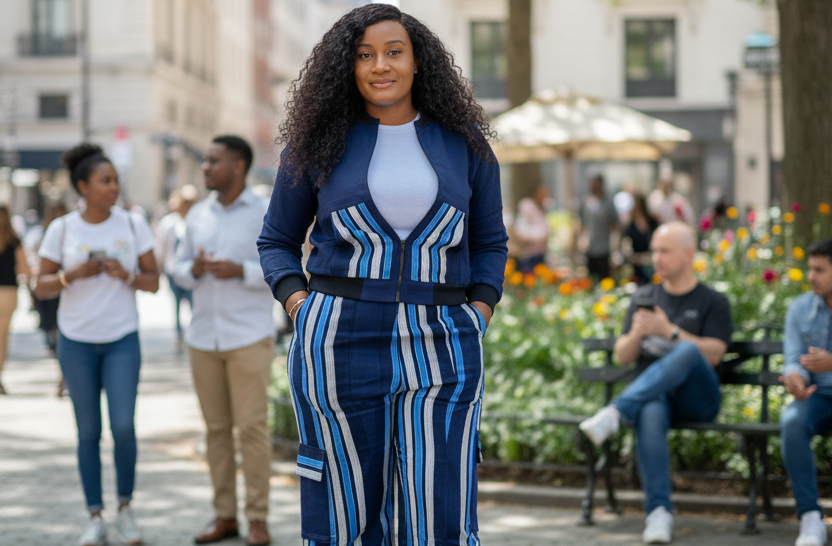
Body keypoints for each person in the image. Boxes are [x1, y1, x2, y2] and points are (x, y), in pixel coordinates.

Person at [257, 4, 508, 545]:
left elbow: (490, 242)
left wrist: (479, 310)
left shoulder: (464, 142)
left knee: (439, 499)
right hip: (338, 339)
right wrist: (299, 304)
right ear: (348, 68)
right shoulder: (316, 142)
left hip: (444, 339)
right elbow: (276, 240)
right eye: (365, 55)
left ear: (419, 62)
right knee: (345, 502)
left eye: (394, 52)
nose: (380, 65)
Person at [34, 143, 159, 546]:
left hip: (122, 339)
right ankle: (95, 517)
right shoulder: (63, 229)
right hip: (77, 343)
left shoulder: (133, 224)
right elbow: (41, 285)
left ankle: (125, 509)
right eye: (105, 181)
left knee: (123, 427)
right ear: (83, 187)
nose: (114, 187)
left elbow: (154, 281)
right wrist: (73, 275)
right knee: (88, 432)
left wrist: (127, 275)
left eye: (116, 180)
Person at [579, 222, 732, 544]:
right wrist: (637, 332)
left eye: (665, 251)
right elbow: (623, 356)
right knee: (649, 408)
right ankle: (658, 513)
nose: (657, 258)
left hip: (697, 400)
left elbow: (715, 354)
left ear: (689, 254)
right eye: (655, 251)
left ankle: (615, 413)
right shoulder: (644, 297)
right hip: (655, 399)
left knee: (688, 349)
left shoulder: (712, 301)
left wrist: (669, 332)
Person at [173, 135, 275, 546]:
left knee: (251, 429)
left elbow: (283, 268)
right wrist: (193, 269)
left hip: (248, 335)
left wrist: (242, 271)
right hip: (203, 338)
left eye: (213, 161)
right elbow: (176, 269)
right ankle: (224, 515)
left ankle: (258, 518)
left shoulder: (265, 212)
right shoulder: (197, 214)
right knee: (216, 430)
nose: (205, 167)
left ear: (237, 166)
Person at [779, 239, 832, 546]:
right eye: (810, 268)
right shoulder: (800, 308)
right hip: (818, 398)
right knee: (792, 421)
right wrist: (795, 379)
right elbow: (792, 357)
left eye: (820, 270)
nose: (811, 276)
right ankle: (810, 518)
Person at [25, 203, 68, 396]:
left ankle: (64, 377)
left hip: (66, 292)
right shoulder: (42, 235)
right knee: (55, 334)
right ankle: (63, 375)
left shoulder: (69, 234)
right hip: (52, 290)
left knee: (61, 335)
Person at [154, 185, 197, 346]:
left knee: (193, 303)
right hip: (173, 270)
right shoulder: (168, 223)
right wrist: (159, 268)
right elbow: (162, 248)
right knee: (177, 304)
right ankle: (179, 335)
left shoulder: (195, 221)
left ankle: (193, 334)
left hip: (192, 270)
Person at [0, 205, 31, 395]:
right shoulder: (14, 241)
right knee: (2, 337)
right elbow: (25, 270)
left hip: (9, 291)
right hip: (9, 293)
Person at [579, 174, 619, 280]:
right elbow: (582, 224)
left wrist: (614, 248)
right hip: (590, 248)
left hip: (604, 248)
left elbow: (614, 226)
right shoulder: (586, 201)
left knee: (604, 278)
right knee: (591, 279)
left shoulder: (608, 202)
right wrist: (582, 239)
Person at [513, 184, 552, 273]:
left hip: (541, 254)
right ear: (535, 193)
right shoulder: (526, 205)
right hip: (529, 256)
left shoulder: (543, 207)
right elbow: (520, 231)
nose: (545, 195)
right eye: (542, 193)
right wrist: (541, 235)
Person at [623, 193, 659, 284]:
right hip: (636, 262)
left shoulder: (652, 222)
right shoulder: (631, 225)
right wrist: (632, 255)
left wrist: (649, 256)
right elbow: (626, 243)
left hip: (651, 261)